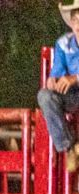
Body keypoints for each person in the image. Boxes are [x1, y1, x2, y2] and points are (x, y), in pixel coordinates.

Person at [38, 1, 79, 172]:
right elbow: (56, 72)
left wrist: (75, 78)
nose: (78, 25)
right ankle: (70, 147)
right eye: (76, 20)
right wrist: (52, 81)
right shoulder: (63, 43)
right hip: (72, 96)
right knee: (45, 96)